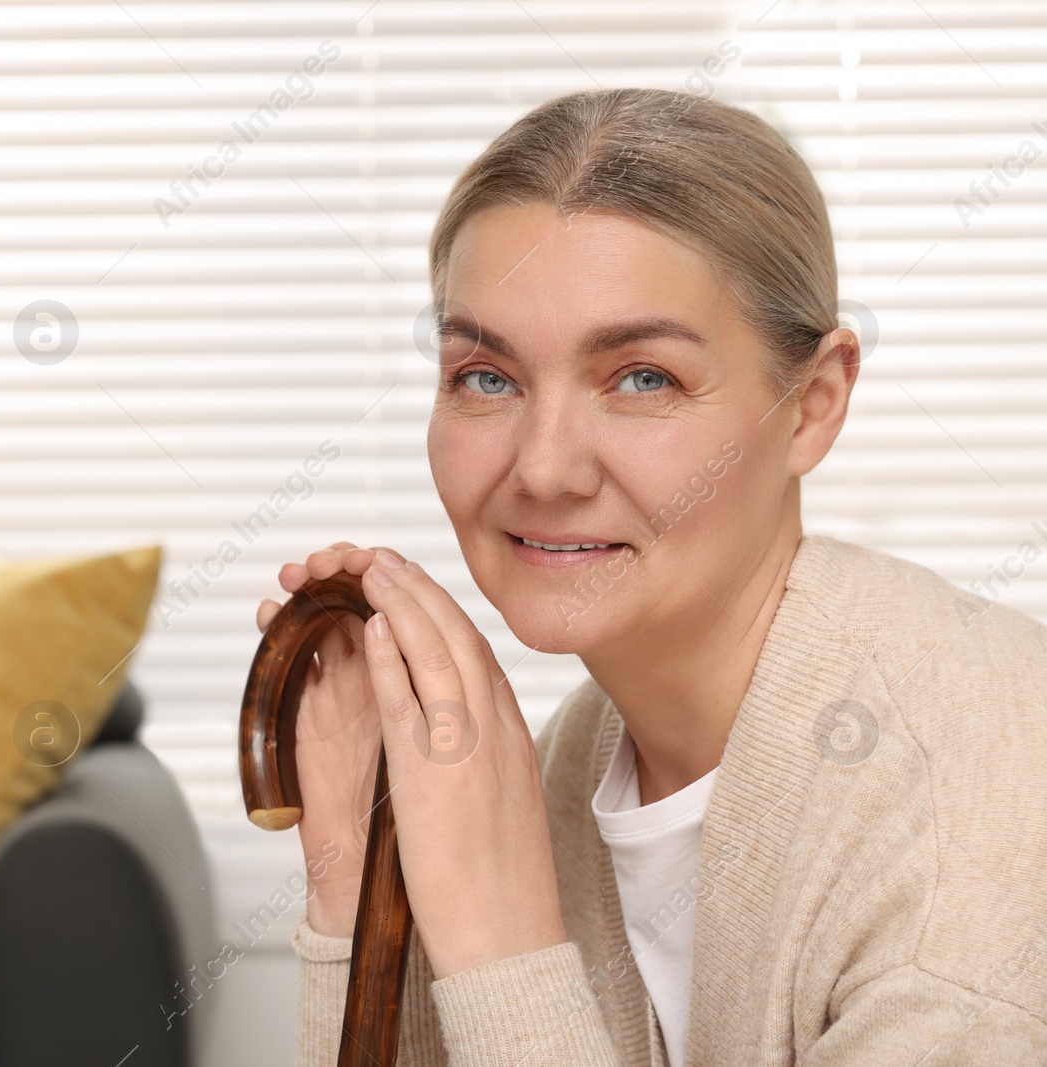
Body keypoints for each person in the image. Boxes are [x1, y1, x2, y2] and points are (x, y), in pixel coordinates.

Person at [255, 87, 1047, 1066]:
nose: (543, 468)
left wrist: (504, 937)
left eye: (641, 378)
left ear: (811, 405)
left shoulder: (965, 826)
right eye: (486, 376)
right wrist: (360, 888)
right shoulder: (580, 757)